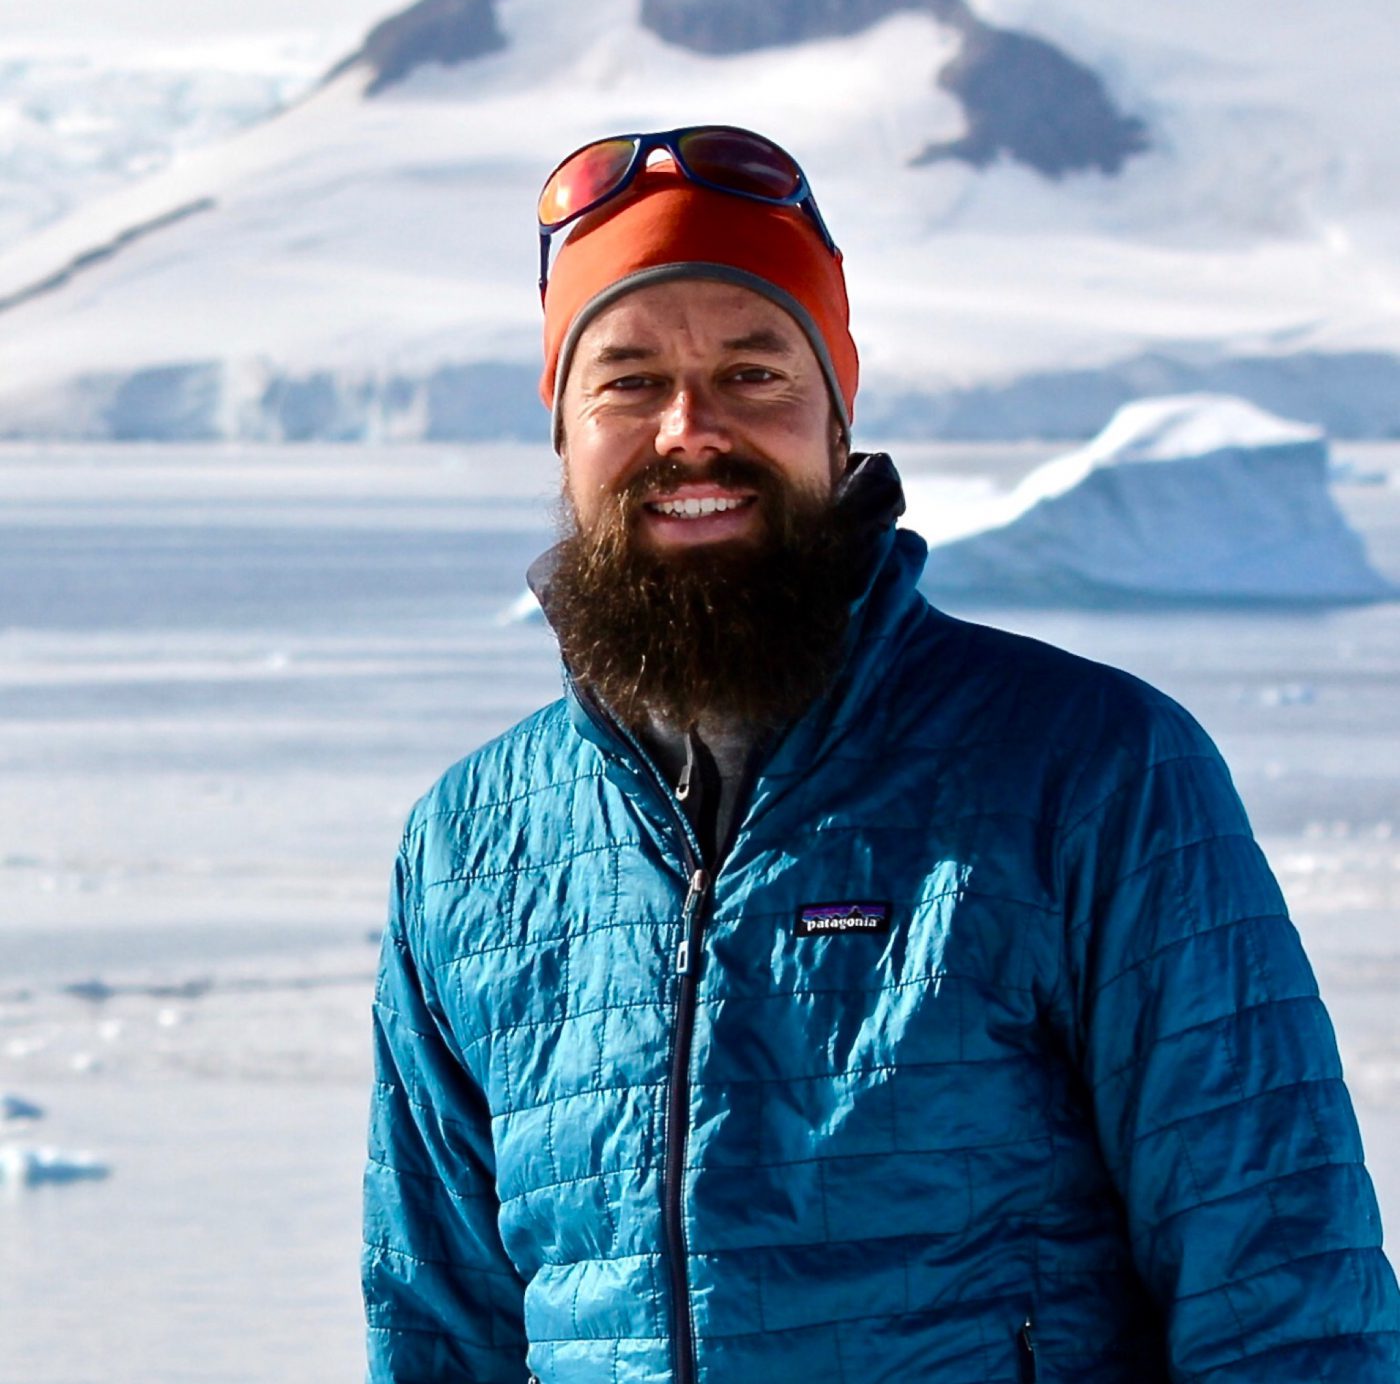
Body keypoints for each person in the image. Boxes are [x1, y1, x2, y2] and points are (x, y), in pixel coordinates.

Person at [362, 125, 1400, 1382]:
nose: (689, 429)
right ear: (564, 433)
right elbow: (437, 1332)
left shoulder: (1087, 772)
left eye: (754, 373)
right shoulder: (470, 846)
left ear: (836, 421)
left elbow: (1283, 1288)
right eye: (627, 381)